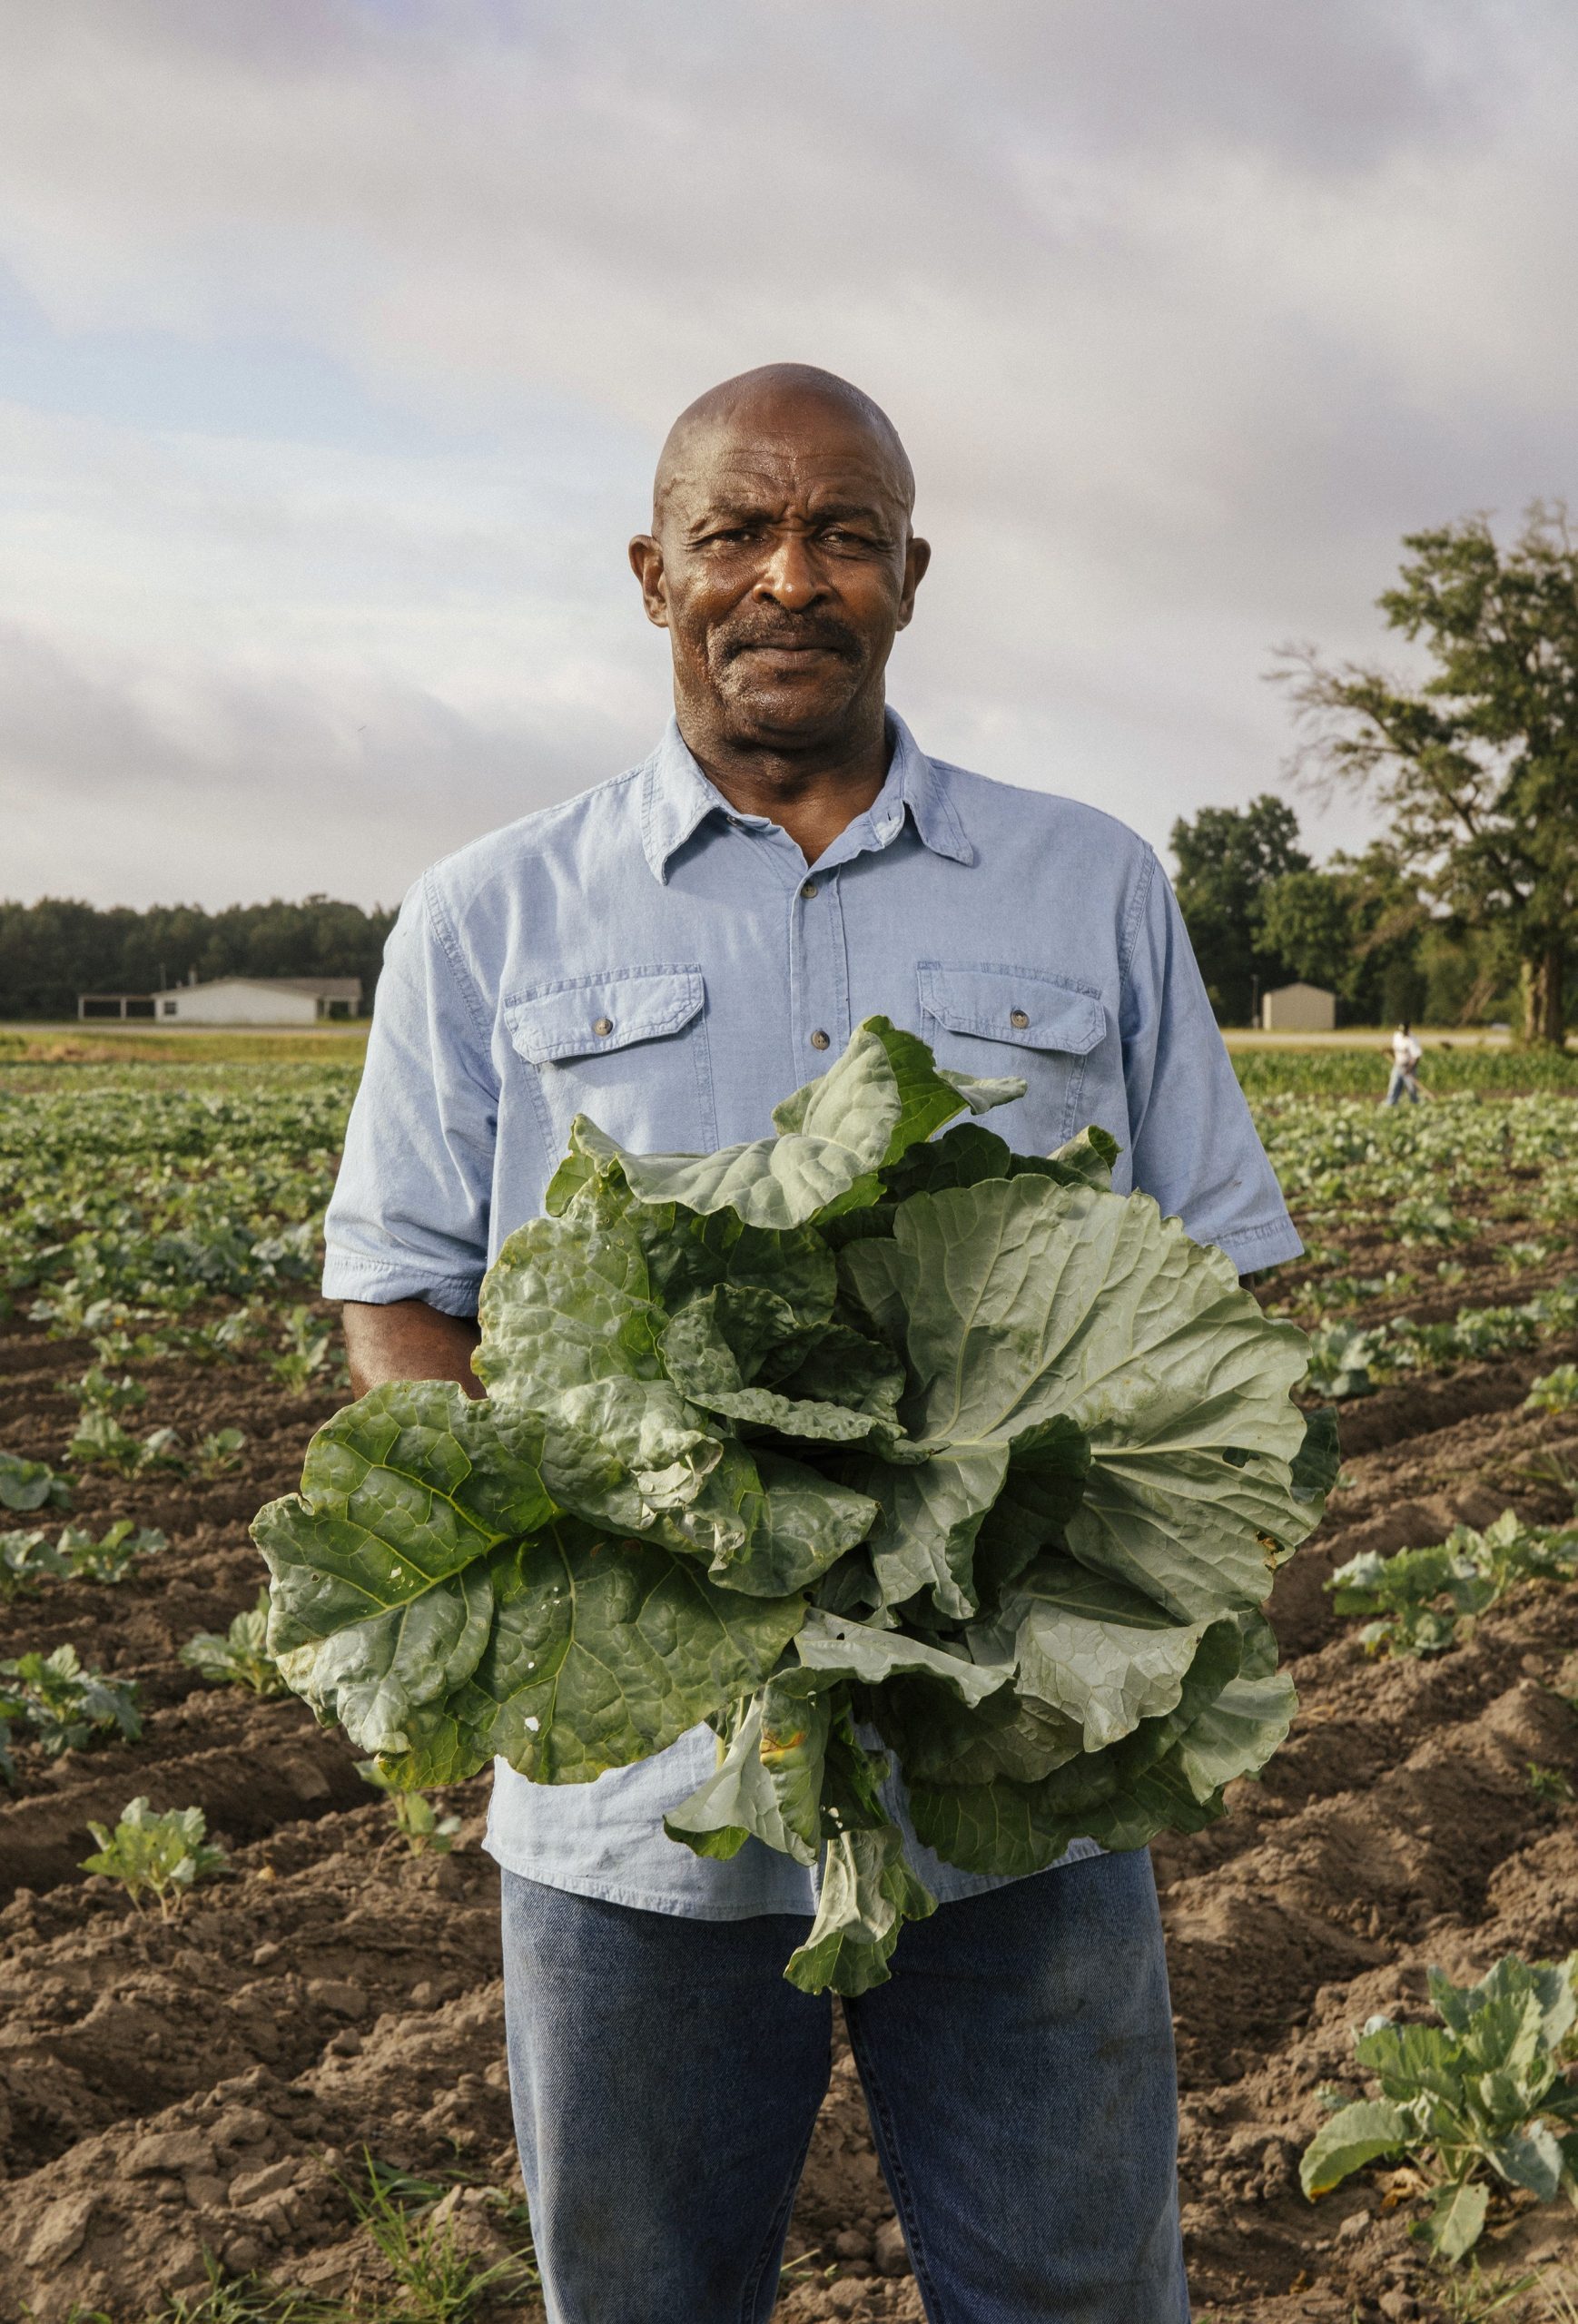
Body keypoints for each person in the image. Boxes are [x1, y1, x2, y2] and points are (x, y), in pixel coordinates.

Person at [323, 363, 1304, 2324]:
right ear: (651, 572)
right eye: (735, 533)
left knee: (1074, 2295)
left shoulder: (1084, 877)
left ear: (908, 573)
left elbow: (1219, 1292)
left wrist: (1074, 1583)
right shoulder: (485, 913)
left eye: (842, 533)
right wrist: (611, 1583)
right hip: (636, 1814)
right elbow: (399, 1296)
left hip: (1011, 1779)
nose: (789, 576)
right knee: (649, 2296)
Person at [1386, 1020, 1424, 1105]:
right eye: (1402, 1030)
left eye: (1405, 1030)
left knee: (1412, 1090)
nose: (1403, 1032)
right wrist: (1387, 1050)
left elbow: (1417, 1057)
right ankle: (1390, 1105)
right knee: (1393, 1087)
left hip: (1409, 1067)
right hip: (1398, 1066)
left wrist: (1409, 1069)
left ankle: (1415, 1105)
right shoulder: (1397, 1036)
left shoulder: (1412, 1040)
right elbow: (1395, 1049)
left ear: (1408, 1029)